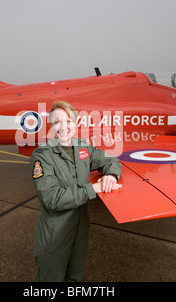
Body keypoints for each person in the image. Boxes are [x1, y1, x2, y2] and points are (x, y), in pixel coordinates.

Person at [30, 100, 122, 282]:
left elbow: (111, 160)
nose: (64, 127)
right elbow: (52, 198)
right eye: (57, 122)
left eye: (69, 121)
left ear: (76, 123)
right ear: (51, 126)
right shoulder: (42, 156)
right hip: (55, 233)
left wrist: (111, 175)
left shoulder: (82, 147)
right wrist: (93, 188)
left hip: (80, 228)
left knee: (75, 278)